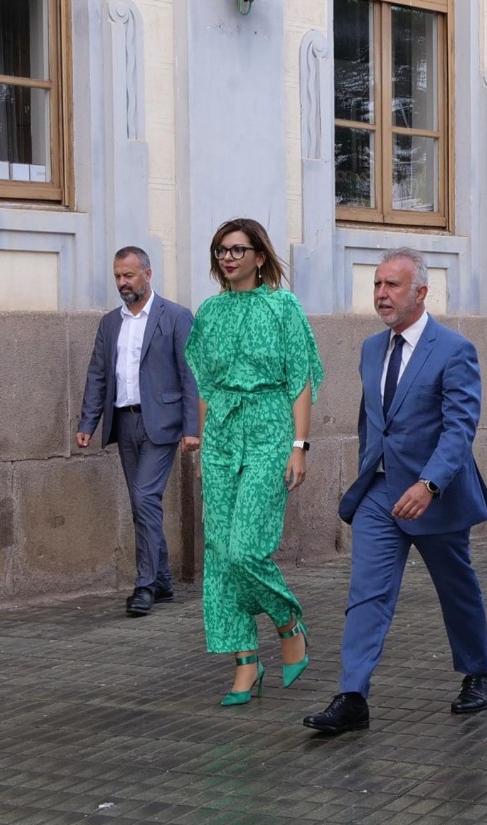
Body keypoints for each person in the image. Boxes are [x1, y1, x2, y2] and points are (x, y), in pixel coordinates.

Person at [303, 249, 487, 734]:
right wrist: (370, 472)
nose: (382, 295)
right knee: (367, 591)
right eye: (377, 285)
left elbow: (459, 428)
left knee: (456, 589)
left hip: (435, 494)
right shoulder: (372, 347)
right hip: (379, 493)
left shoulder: (454, 349)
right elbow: (374, 422)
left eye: (392, 286)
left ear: (421, 293)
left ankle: (479, 672)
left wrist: (429, 483)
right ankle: (352, 696)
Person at [185, 218, 325, 705]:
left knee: (246, 547)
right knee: (220, 552)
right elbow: (204, 383)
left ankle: (289, 622)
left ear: (259, 257)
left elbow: (300, 377)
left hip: (270, 428)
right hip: (222, 433)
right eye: (222, 250)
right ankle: (245, 662)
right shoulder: (209, 311)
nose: (229, 257)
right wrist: (205, 442)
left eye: (239, 250)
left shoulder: (282, 306)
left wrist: (299, 445)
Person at [76, 246, 200, 616]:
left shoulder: (176, 316)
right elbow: (98, 374)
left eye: (128, 275)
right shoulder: (110, 323)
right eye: (117, 276)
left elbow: (190, 373)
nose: (122, 283)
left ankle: (144, 586)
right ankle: (161, 580)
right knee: (141, 504)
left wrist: (193, 427)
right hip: (123, 421)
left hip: (162, 424)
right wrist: (88, 422)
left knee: (145, 498)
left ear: (148, 274)